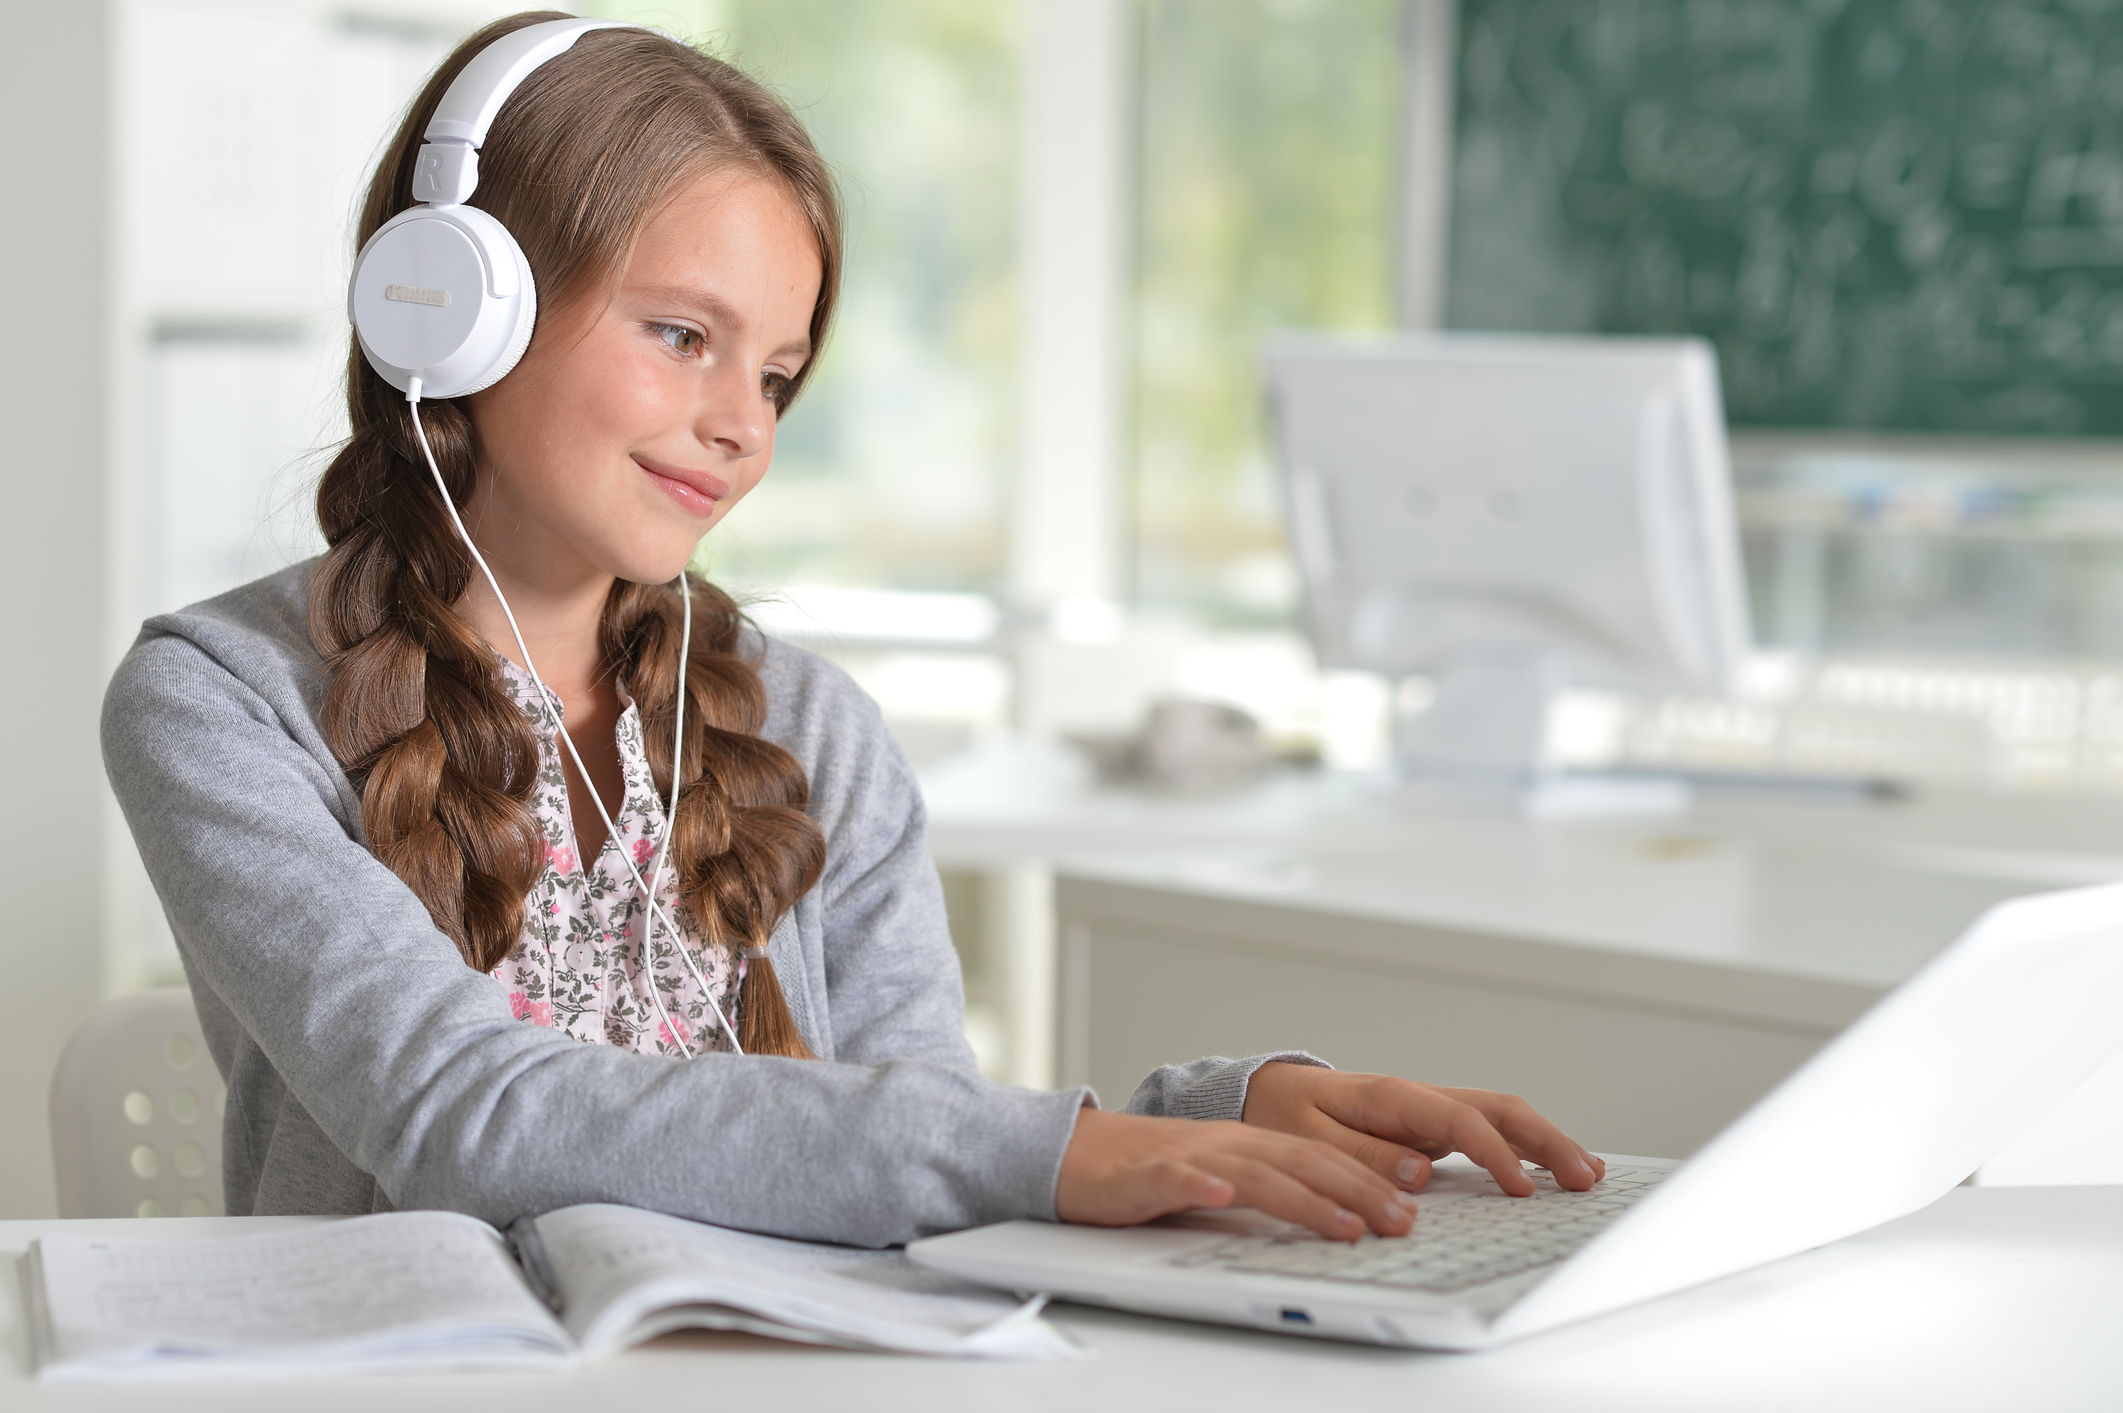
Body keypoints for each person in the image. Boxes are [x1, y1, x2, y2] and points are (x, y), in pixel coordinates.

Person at [102, 12, 1603, 1247]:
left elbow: (916, 1135)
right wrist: (1066, 1147)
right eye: (683, 336)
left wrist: (1216, 1115)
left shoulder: (812, 729)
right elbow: (457, 1113)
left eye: (776, 376)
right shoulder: (219, 702)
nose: (736, 429)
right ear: (454, 310)